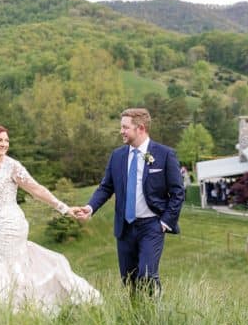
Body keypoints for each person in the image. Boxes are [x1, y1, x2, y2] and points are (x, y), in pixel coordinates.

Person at [0, 124, 101, 313]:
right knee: (7, 270)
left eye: (6, 140)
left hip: (10, 225)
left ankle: (2, 312)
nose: (4, 144)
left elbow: (37, 190)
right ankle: (15, 312)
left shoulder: (11, 166)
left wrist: (64, 208)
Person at [76, 108, 185, 298]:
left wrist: (165, 222)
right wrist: (90, 207)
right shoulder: (117, 156)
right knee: (129, 279)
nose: (121, 131)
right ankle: (136, 318)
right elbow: (106, 187)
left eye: (125, 127)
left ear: (140, 128)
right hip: (124, 228)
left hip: (152, 226)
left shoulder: (165, 155)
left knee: (147, 275)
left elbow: (178, 192)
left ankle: (155, 314)